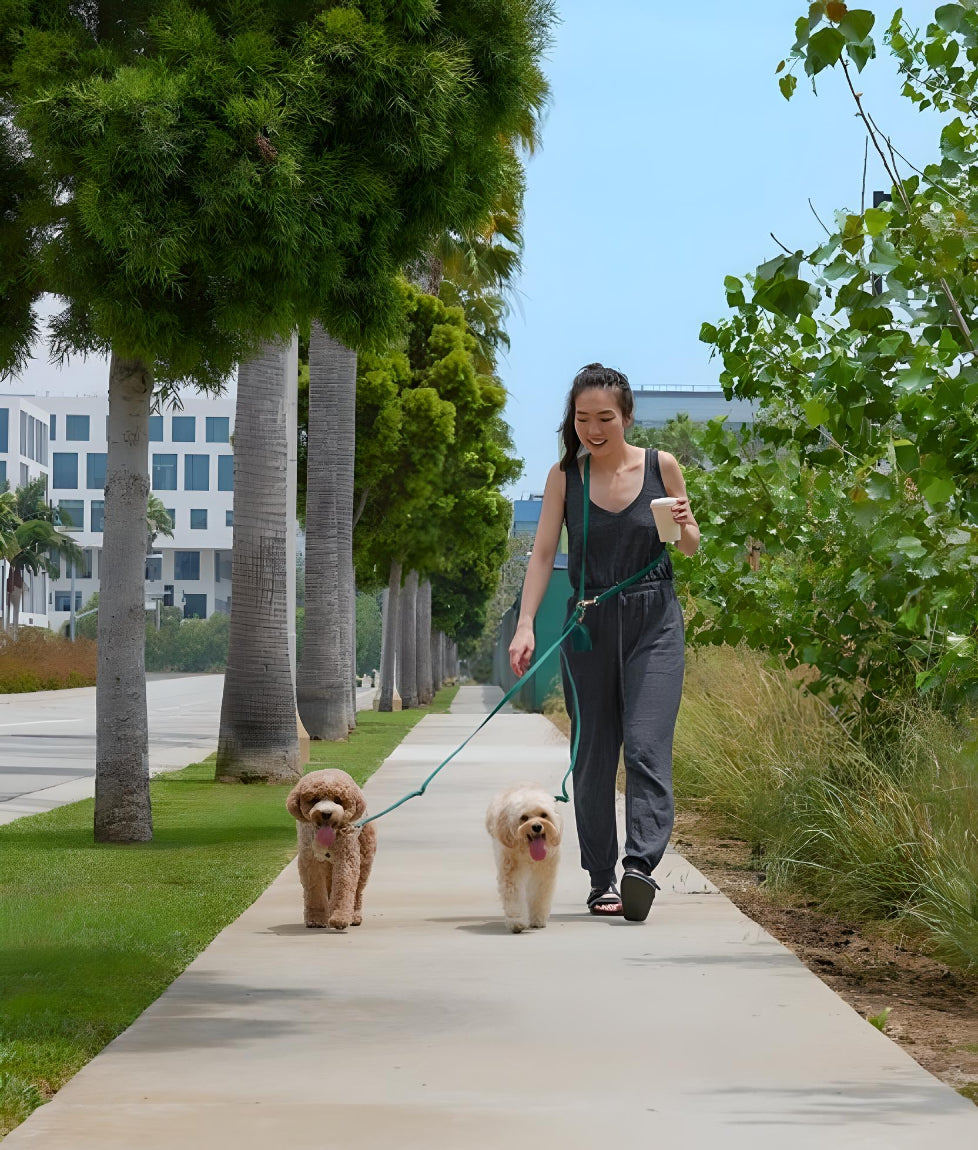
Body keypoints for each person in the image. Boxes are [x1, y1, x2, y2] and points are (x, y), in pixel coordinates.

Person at [508, 363, 699, 920]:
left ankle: (640, 866)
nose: (593, 428)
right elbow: (544, 554)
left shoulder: (663, 468)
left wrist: (687, 524)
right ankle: (601, 878)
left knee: (645, 746)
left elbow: (687, 548)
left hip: (654, 622)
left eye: (605, 418)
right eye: (582, 417)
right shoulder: (564, 476)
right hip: (588, 625)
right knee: (592, 758)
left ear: (627, 417)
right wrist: (525, 624)